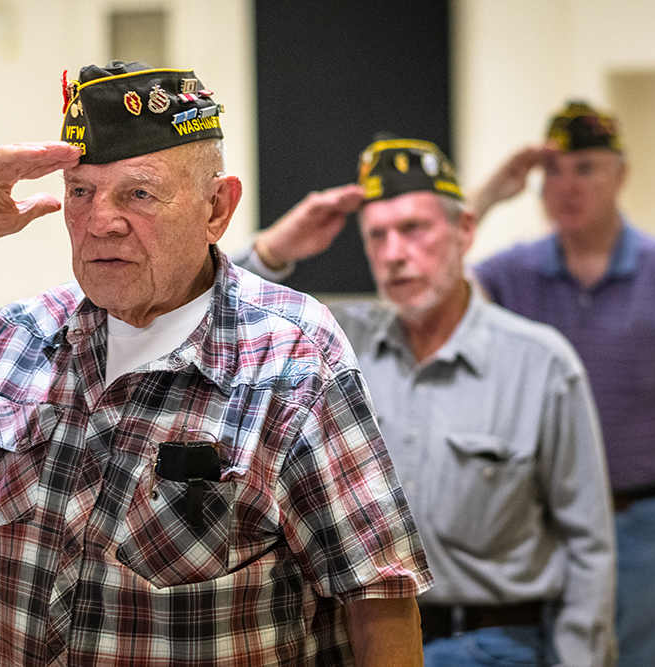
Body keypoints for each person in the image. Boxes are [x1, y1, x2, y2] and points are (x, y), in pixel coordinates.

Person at [0, 62, 432, 666]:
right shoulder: (15, 341)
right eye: (81, 192)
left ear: (217, 208)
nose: (101, 222)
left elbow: (379, 598)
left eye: (139, 192)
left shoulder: (292, 355)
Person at [239, 136, 616, 666]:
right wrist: (275, 250)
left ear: (464, 231)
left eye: (414, 229)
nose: (394, 254)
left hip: (490, 644)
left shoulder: (540, 364)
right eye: (377, 237)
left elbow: (589, 547)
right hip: (355, 639)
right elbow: (217, 318)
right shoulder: (335, 346)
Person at [470, 101, 655, 667]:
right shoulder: (513, 273)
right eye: (553, 171)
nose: (566, 185)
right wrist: (489, 193)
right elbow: (430, 283)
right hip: (544, 526)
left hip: (644, 527)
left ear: (621, 173)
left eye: (585, 167)